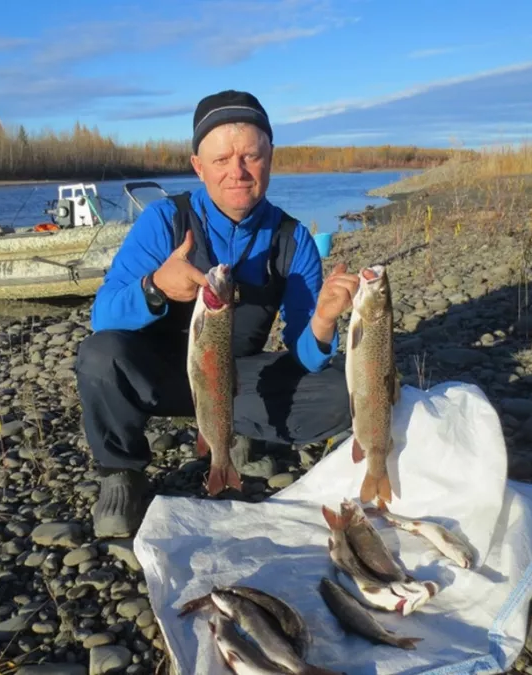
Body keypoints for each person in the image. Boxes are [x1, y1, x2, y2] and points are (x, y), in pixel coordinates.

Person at [75, 90, 359, 538]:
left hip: (237, 380)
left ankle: (234, 434)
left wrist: (323, 320)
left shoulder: (292, 238)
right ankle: (121, 475)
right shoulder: (164, 221)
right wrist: (155, 287)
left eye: (251, 156)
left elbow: (304, 356)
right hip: (162, 377)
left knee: (346, 390)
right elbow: (103, 316)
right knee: (99, 354)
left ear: (270, 158)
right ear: (198, 166)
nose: (237, 172)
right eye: (222, 159)